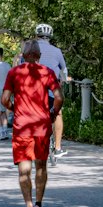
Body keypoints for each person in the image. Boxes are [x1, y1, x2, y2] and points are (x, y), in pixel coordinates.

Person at [2, 40, 62, 207]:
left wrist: (15, 108)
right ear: (39, 56)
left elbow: (4, 99)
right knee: (41, 166)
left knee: (24, 169)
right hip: (42, 126)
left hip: (22, 127)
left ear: (23, 56)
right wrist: (52, 112)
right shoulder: (47, 72)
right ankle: (39, 206)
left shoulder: (14, 73)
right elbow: (59, 97)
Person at [33, 23, 69, 157]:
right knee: (58, 114)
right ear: (50, 37)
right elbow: (64, 71)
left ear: (37, 36)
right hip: (51, 91)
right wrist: (64, 79)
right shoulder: (57, 51)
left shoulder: (29, 51)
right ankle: (58, 148)